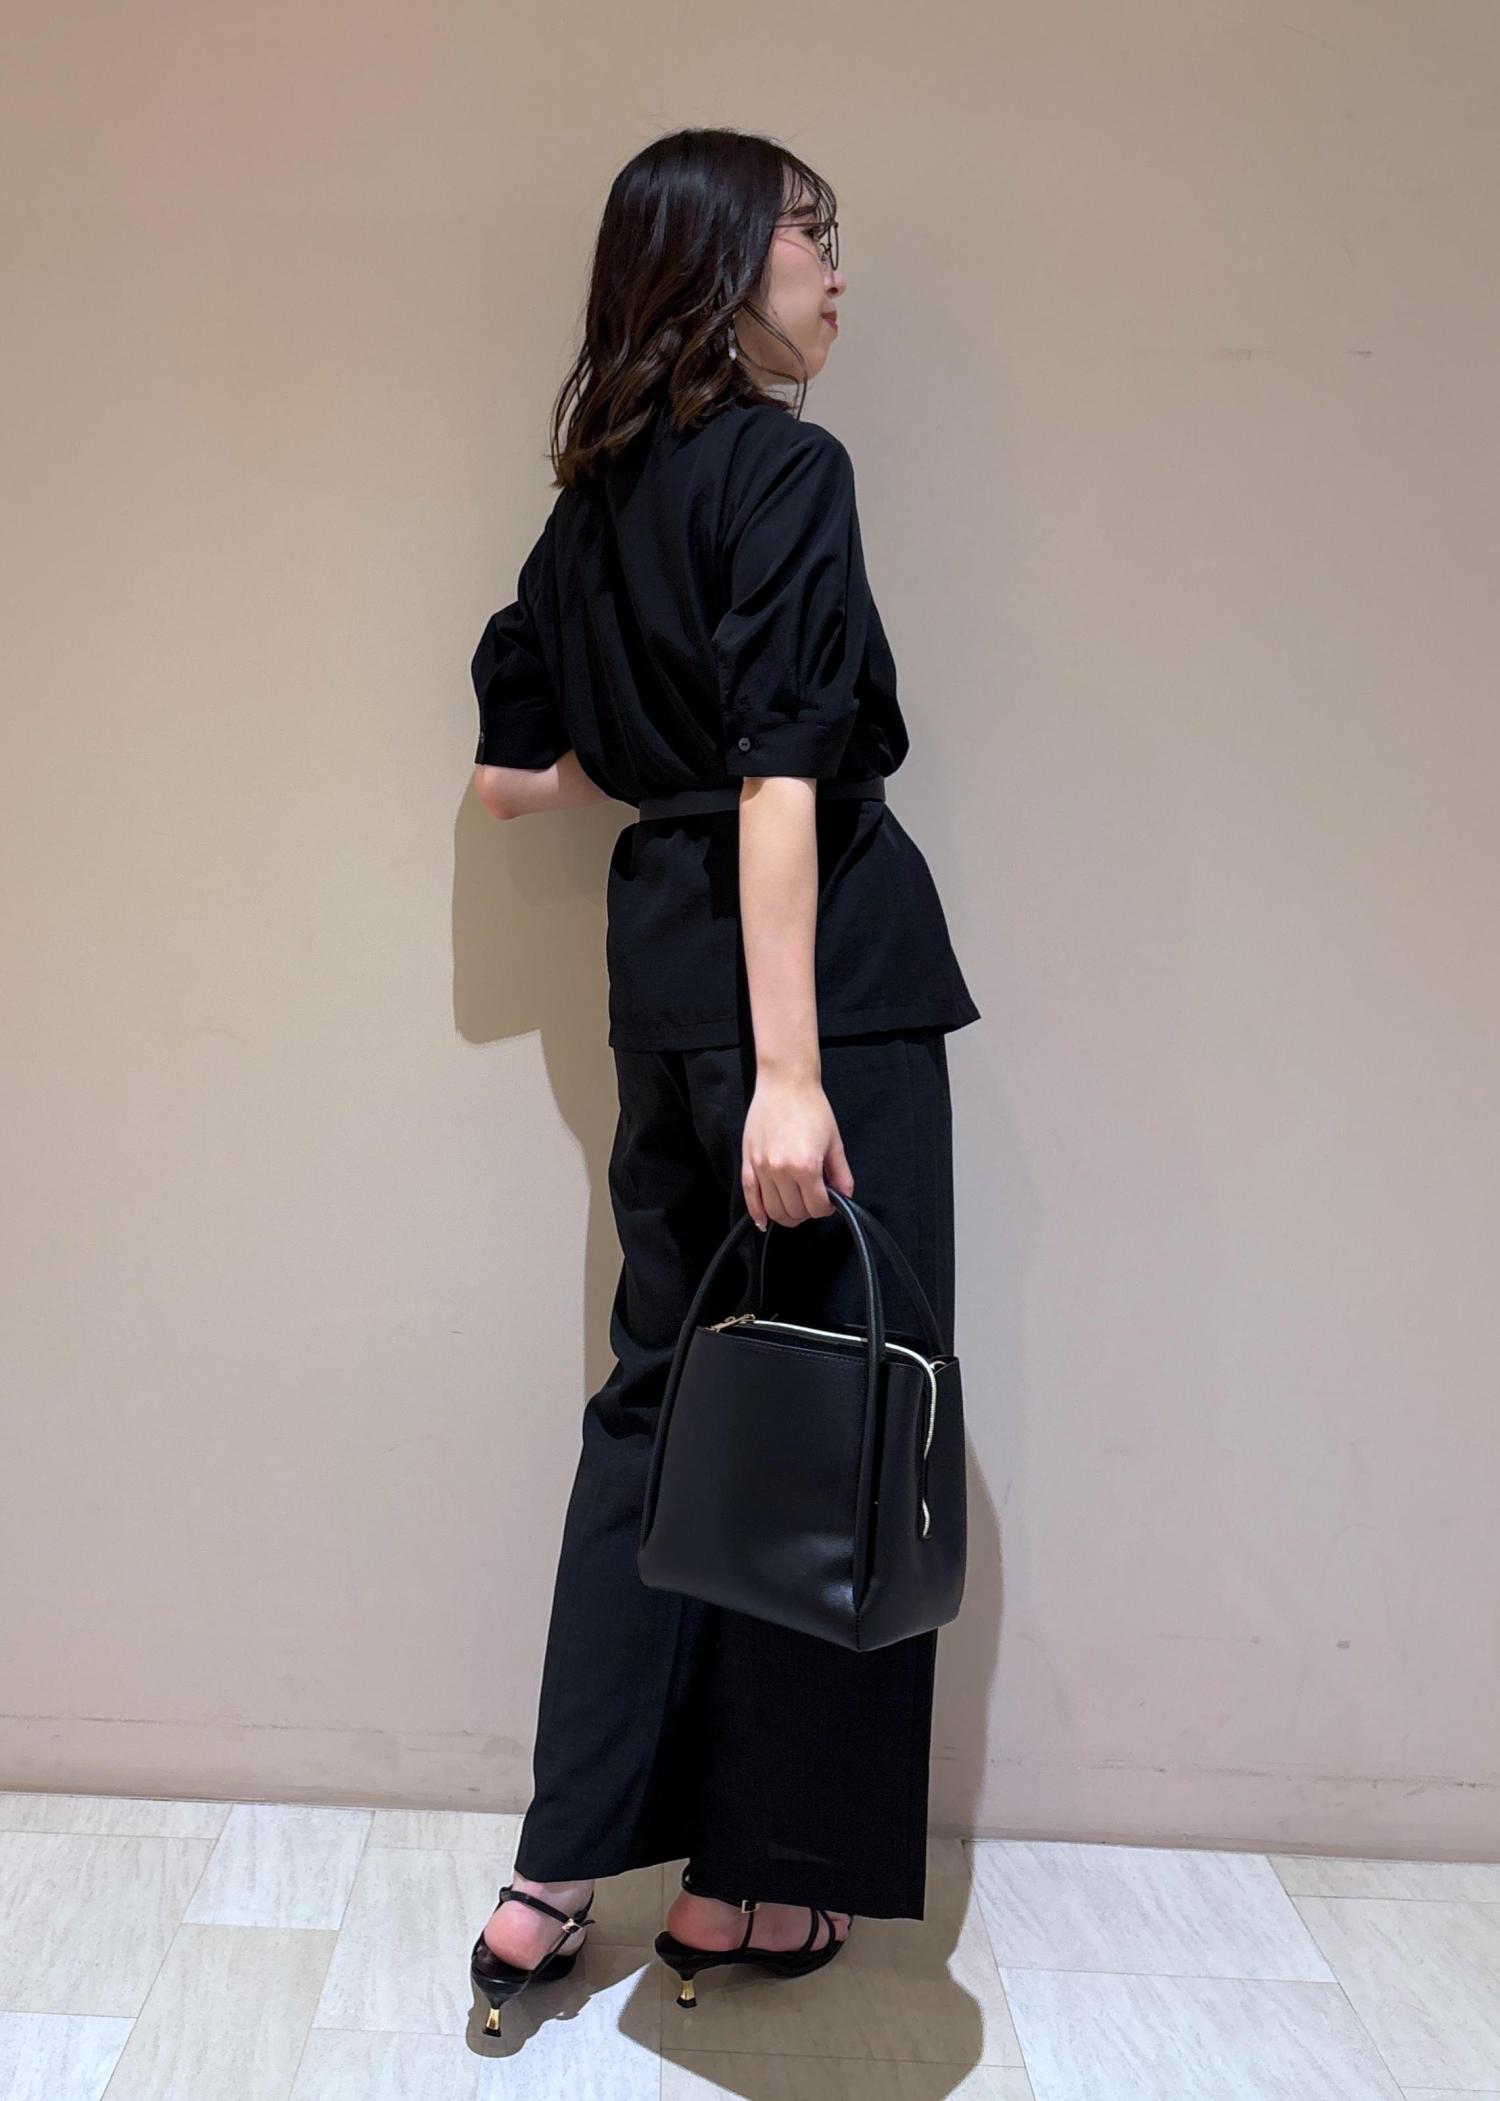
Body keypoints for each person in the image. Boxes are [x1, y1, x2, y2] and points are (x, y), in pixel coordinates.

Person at [464, 126, 981, 2029]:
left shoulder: (589, 506)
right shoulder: (786, 470)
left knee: (657, 1412)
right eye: (807, 238)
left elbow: (513, 777)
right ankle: (757, 1887)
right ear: (716, 264)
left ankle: (553, 1878)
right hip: (811, 1003)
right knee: (836, 1423)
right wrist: (792, 1075)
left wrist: (644, 750)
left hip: (661, 986)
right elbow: (785, 774)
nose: (836, 275)